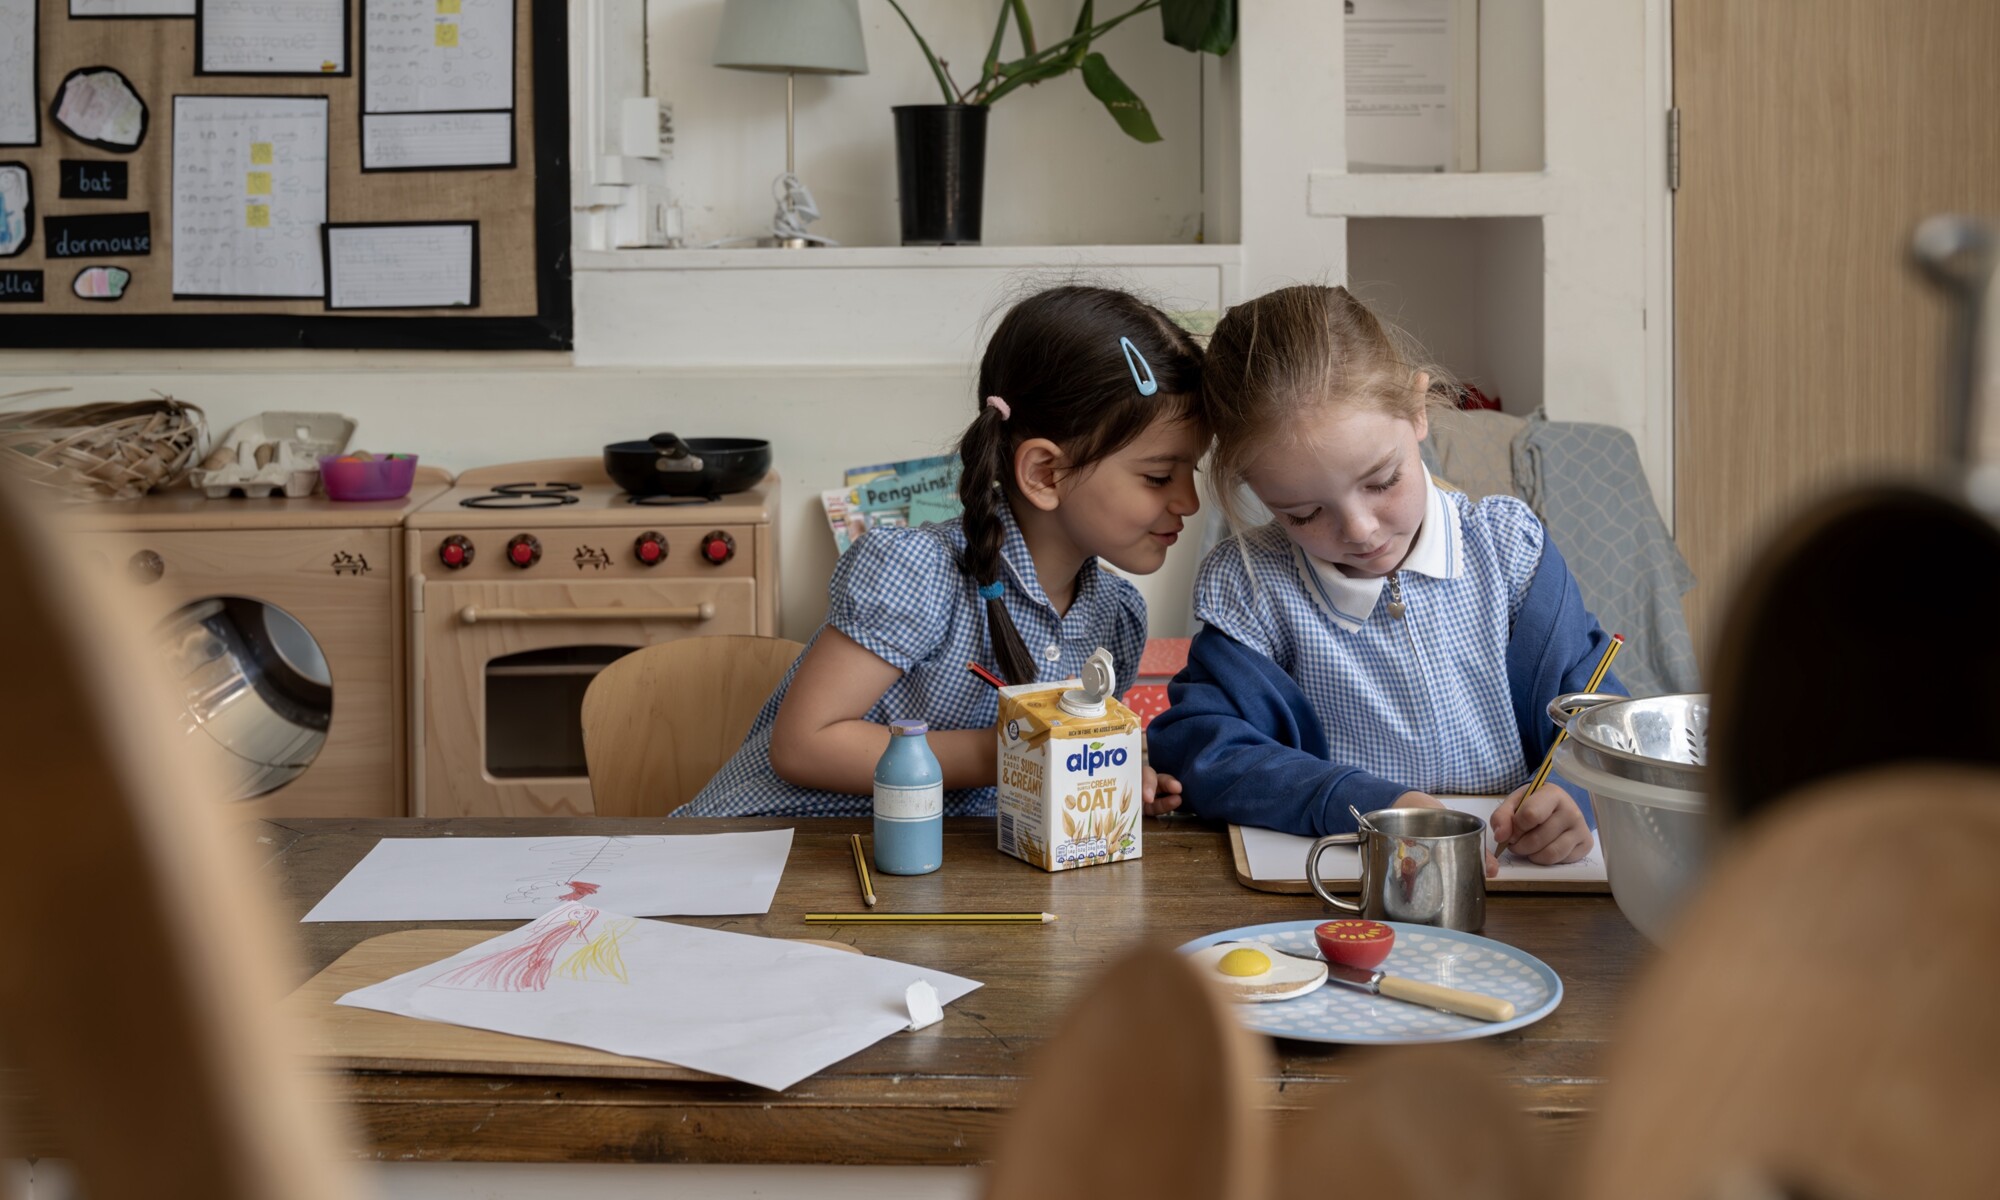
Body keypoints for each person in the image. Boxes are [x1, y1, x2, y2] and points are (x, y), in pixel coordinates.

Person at [680, 286, 1207, 818]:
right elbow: (805, 745)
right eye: (1158, 476)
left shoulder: (1118, 617)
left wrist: (1115, 776)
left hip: (935, 878)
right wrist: (1025, 749)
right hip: (769, 857)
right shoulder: (918, 572)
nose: (1188, 500)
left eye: (1193, 471)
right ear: (1045, 474)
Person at [1147, 285, 1619, 865]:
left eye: (1382, 481)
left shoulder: (1509, 553)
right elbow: (1200, 749)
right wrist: (1361, 803)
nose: (1361, 531)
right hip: (1344, 884)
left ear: (1418, 410)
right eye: (1303, 513)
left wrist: (1576, 793)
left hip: (1520, 878)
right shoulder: (1254, 587)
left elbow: (1598, 713)